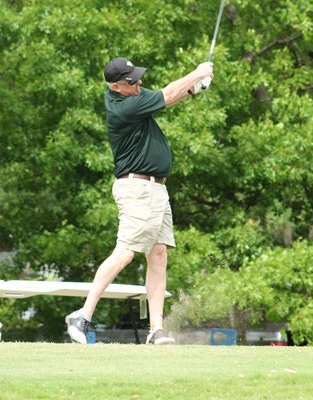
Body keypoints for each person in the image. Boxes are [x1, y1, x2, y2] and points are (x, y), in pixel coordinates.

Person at [65, 57, 214, 345]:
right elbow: (168, 93)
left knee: (158, 255)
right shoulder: (124, 106)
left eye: (137, 77)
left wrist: (195, 88)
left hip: (156, 190)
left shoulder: (132, 93)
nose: (139, 83)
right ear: (116, 86)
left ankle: (155, 330)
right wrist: (196, 72)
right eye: (132, 80)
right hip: (137, 189)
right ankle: (82, 315)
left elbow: (168, 99)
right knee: (125, 253)